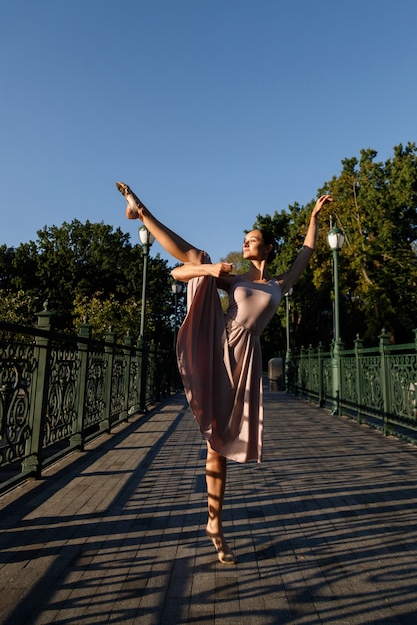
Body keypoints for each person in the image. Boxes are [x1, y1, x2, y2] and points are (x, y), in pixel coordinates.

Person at [116, 181, 331, 564]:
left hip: (245, 358)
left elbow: (307, 253)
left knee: (218, 443)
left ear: (266, 249)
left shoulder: (279, 282)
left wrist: (313, 218)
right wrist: (210, 269)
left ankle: (214, 524)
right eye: (245, 239)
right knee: (199, 254)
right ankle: (142, 211)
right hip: (220, 345)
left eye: (252, 240)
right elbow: (179, 274)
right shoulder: (235, 279)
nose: (246, 243)